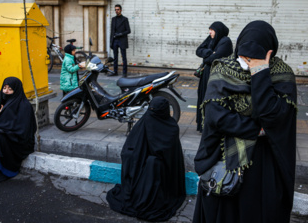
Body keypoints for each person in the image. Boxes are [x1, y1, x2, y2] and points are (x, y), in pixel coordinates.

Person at [193, 21, 297, 223]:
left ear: (270, 52)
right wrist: (256, 129)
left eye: (254, 56)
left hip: (264, 166)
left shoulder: (282, 75)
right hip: (226, 161)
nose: (247, 60)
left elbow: (272, 116)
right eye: (244, 54)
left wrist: (260, 73)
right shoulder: (222, 69)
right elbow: (216, 117)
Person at [106, 96, 186, 222]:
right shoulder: (152, 123)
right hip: (143, 170)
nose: (151, 112)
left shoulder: (169, 127)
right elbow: (131, 148)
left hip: (163, 173)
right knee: (151, 163)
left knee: (154, 163)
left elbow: (170, 156)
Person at [195, 21, 232, 133]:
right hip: (206, 73)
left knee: (211, 99)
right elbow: (198, 50)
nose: (210, 32)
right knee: (202, 97)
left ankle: (210, 125)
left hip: (216, 75)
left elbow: (213, 59)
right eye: (210, 30)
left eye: (212, 30)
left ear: (218, 31)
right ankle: (202, 125)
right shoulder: (211, 39)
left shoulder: (225, 41)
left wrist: (208, 57)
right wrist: (210, 52)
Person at [108, 4, 131, 77]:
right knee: (115, 57)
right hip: (115, 40)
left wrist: (120, 34)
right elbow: (112, 31)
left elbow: (128, 30)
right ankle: (115, 71)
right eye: (115, 9)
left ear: (121, 10)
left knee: (124, 57)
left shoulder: (125, 19)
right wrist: (111, 42)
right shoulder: (113, 19)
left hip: (122, 40)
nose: (116, 11)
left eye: (117, 9)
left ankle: (124, 73)